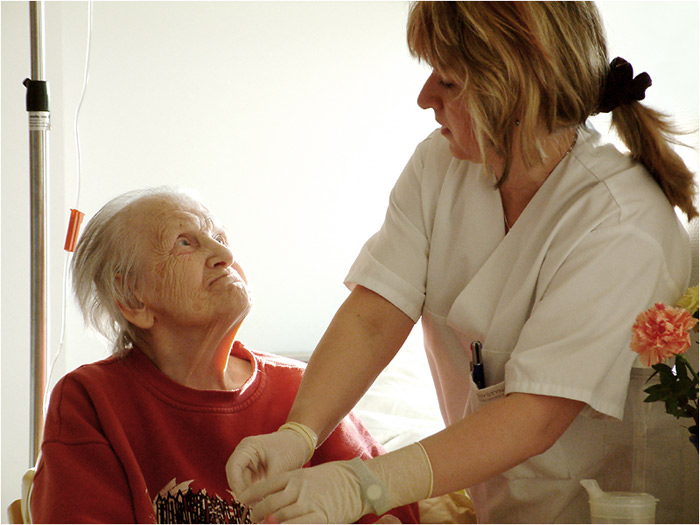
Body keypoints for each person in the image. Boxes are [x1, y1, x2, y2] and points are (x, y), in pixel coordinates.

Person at [226, 2, 698, 523]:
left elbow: (535, 417)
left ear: (517, 88)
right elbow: (374, 312)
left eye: (448, 82)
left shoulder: (619, 222)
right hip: (492, 505)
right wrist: (300, 432)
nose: (425, 97)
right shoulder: (440, 166)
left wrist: (363, 486)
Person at [30, 188, 419, 524]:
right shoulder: (90, 401)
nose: (224, 254)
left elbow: (391, 507)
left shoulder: (305, 391)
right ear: (132, 298)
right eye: (185, 242)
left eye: (219, 236)